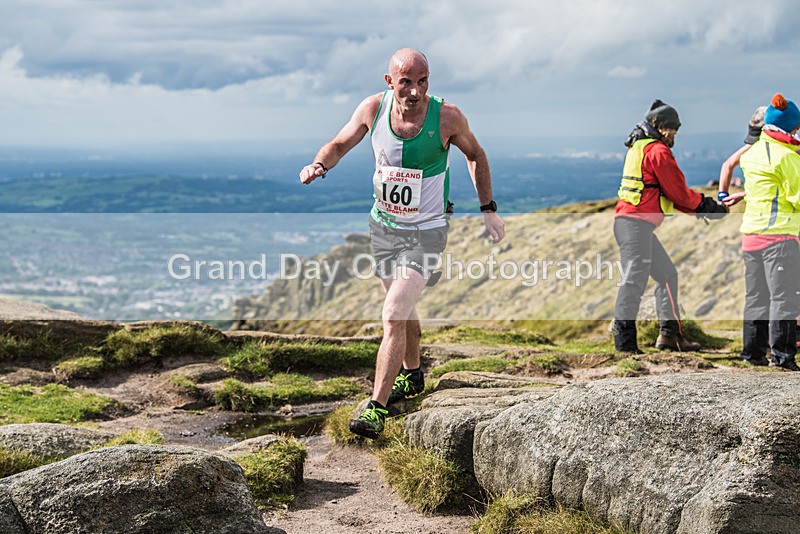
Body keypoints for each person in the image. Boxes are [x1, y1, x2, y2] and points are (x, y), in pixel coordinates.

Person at [299, 48, 505, 438]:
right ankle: (412, 374)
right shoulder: (373, 109)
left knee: (393, 312)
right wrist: (319, 164)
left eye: (422, 81)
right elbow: (339, 143)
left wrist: (488, 208)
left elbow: (476, 155)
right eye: (406, 82)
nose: (414, 91)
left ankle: (376, 406)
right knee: (402, 307)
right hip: (384, 228)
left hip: (427, 230)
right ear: (389, 81)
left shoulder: (447, 117)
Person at [612, 100, 728, 354]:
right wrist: (708, 206)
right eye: (673, 128)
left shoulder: (639, 147)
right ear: (661, 126)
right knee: (634, 282)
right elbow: (678, 192)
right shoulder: (658, 151)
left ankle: (670, 336)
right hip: (635, 226)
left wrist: (701, 209)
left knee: (667, 275)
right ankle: (625, 346)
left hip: (632, 224)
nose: (675, 133)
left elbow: (667, 194)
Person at [735, 93, 800, 371]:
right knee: (783, 298)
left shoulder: (752, 154)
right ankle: (783, 358)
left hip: (751, 236)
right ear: (790, 128)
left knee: (756, 297)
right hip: (780, 238)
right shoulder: (786, 157)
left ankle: (752, 354)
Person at [717, 106, 766, 204]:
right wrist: (722, 197)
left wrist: (743, 195)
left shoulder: (790, 151)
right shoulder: (754, 146)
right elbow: (728, 165)